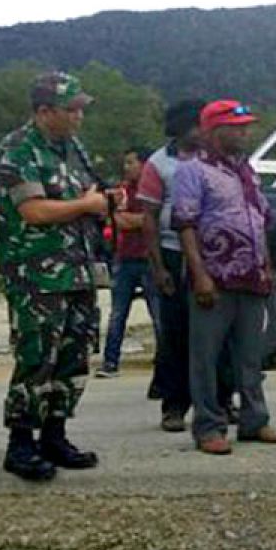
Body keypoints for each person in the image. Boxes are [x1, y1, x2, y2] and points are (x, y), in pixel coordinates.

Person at [0, 71, 112, 481]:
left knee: (73, 356)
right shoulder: (18, 149)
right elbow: (35, 211)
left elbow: (90, 194)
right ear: (45, 111)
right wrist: (87, 205)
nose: (79, 117)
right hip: (36, 277)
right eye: (72, 109)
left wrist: (102, 201)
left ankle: (55, 435)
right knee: (36, 357)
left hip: (77, 271)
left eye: (81, 109)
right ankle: (21, 443)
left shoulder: (73, 149)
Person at [172, 100, 276, 455]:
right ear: (212, 131)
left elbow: (260, 220)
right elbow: (185, 224)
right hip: (215, 278)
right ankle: (209, 427)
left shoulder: (246, 171)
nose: (244, 133)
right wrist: (200, 275)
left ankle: (255, 420)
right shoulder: (192, 171)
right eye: (235, 128)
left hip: (251, 277)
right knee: (206, 357)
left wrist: (267, 265)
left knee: (250, 356)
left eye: (246, 127)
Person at [138, 99, 236, 432]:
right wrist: (158, 267)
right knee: (177, 334)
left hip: (217, 254)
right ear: (180, 129)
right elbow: (148, 218)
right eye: (197, 125)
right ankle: (175, 406)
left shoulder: (219, 159)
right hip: (174, 253)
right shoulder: (158, 164)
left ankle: (223, 401)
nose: (203, 131)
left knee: (221, 334)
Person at [96, 147, 160, 378]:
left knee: (158, 313)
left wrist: (131, 220)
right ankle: (110, 362)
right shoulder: (123, 190)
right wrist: (135, 220)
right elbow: (119, 221)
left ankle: (164, 360)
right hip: (125, 258)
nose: (127, 167)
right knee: (117, 313)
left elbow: (149, 220)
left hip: (148, 258)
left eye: (131, 162)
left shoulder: (152, 189)